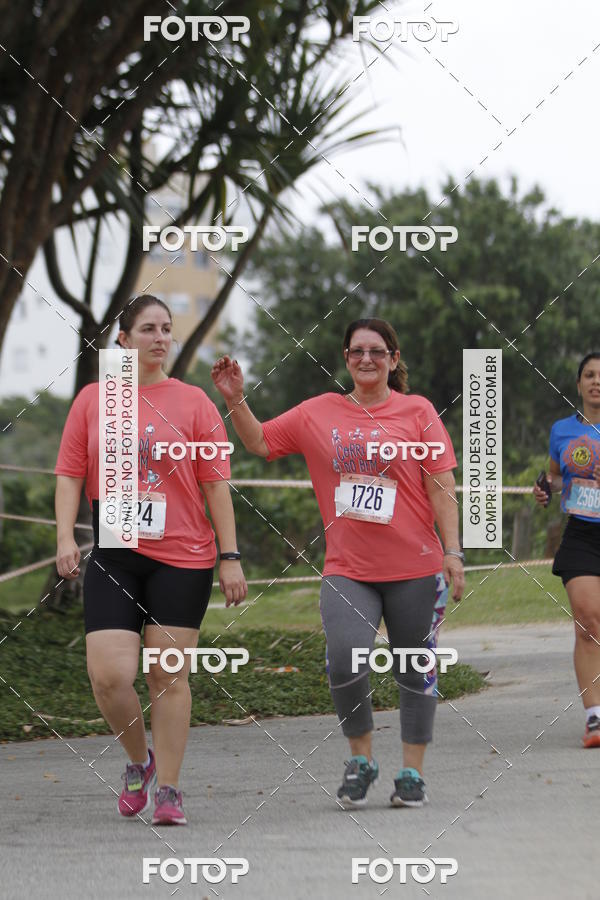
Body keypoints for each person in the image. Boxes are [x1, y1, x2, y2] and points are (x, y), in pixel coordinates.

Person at [211, 317, 464, 808]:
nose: (365, 359)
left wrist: (452, 553)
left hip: (416, 567)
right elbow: (260, 442)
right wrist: (234, 398)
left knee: (415, 668)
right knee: (345, 659)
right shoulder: (319, 412)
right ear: (345, 358)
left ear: (393, 359)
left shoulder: (418, 412)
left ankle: (411, 772)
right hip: (347, 568)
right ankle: (362, 759)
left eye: (376, 351)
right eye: (356, 351)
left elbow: (441, 487)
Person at [54, 294, 247, 825]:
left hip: (183, 557)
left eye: (166, 328)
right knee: (110, 677)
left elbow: (217, 485)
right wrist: (65, 537)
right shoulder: (95, 399)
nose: (160, 337)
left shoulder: (194, 404)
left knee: (167, 675)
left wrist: (229, 557)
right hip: (115, 553)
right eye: (147, 329)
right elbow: (70, 472)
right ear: (122, 339)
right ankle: (139, 761)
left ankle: (169, 790)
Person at [533, 351, 600, 749]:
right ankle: (595, 718)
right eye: (589, 375)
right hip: (582, 536)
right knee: (589, 622)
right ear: (578, 384)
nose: (597, 381)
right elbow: (557, 476)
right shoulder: (562, 430)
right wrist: (546, 487)